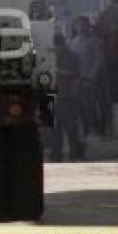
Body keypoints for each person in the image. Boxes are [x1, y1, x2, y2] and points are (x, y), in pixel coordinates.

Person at [50, 32, 84, 162]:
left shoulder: (72, 57)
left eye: (57, 46)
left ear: (62, 45)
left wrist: (58, 70)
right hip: (52, 96)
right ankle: (56, 157)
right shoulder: (51, 56)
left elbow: (75, 74)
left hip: (67, 97)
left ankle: (74, 156)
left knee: (71, 130)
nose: (55, 49)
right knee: (54, 131)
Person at [69, 16, 104, 135]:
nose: (80, 27)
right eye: (77, 25)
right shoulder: (73, 42)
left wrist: (91, 75)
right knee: (80, 106)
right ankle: (86, 129)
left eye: (82, 24)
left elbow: (99, 60)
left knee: (92, 105)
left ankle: (97, 129)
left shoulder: (95, 40)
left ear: (88, 25)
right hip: (77, 79)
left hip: (91, 79)